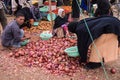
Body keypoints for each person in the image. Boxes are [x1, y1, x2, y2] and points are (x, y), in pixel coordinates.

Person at [68, 0, 120, 69]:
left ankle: (95, 63)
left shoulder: (79, 29)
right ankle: (101, 60)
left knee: (98, 46)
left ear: (73, 29)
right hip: (113, 22)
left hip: (111, 27)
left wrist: (83, 59)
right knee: (102, 44)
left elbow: (82, 45)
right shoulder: (81, 22)